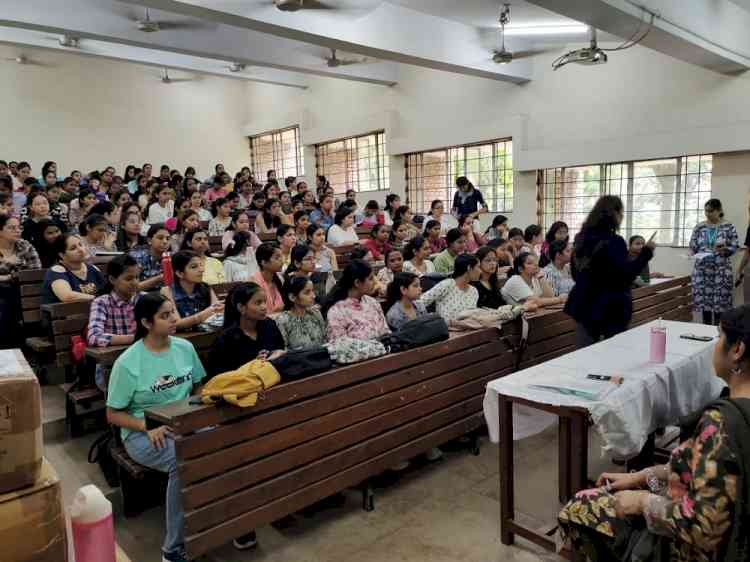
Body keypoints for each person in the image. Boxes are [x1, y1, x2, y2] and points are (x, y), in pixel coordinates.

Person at [558, 304, 750, 562]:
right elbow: (702, 468)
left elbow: (704, 529)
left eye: (719, 337)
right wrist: (641, 476)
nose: (715, 346)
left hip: (699, 545)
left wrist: (642, 501)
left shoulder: (722, 424)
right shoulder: (728, 418)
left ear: (737, 350)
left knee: (579, 505)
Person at [106, 293, 207, 562]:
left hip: (184, 423)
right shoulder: (128, 362)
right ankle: (173, 549)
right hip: (143, 433)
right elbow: (113, 414)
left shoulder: (185, 347)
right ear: (146, 323)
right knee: (181, 461)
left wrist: (195, 413)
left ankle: (222, 521)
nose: (174, 319)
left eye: (173, 312)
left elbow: (198, 385)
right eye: (165, 315)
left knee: (224, 444)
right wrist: (145, 426)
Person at [565, 195, 655, 348]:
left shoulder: (581, 238)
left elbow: (575, 273)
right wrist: (646, 253)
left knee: (583, 356)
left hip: (583, 304)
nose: (622, 217)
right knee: (611, 356)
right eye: (621, 213)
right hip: (611, 307)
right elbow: (625, 276)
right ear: (614, 214)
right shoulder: (615, 241)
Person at [207, 282, 285, 378]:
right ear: (241, 307)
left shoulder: (269, 325)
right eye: (258, 303)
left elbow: (280, 349)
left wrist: (277, 354)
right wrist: (253, 365)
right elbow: (221, 377)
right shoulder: (226, 340)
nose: (264, 307)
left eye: (265, 302)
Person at [87, 255, 139, 391]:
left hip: (142, 361)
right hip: (113, 366)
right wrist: (135, 338)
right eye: (129, 278)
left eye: (137, 277)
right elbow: (94, 336)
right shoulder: (102, 302)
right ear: (112, 279)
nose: (135, 283)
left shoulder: (143, 299)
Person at [689, 198, 739, 326]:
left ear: (719, 211)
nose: (707, 214)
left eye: (711, 211)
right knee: (704, 303)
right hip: (702, 271)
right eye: (706, 211)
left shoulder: (728, 226)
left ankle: (718, 333)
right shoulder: (699, 226)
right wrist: (690, 253)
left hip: (721, 271)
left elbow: (735, 246)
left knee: (720, 304)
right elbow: (693, 245)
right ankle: (705, 330)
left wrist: (725, 249)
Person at [324, 260, 390, 341]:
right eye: (370, 278)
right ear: (357, 283)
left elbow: (385, 332)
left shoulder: (373, 303)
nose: (375, 282)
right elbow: (339, 346)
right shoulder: (337, 312)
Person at [0, 215, 41, 346]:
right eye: (12, 228)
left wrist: (7, 273)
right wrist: (9, 268)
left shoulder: (25, 245)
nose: (17, 231)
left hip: (22, 292)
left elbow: (35, 272)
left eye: (19, 227)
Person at [160, 250, 222, 331]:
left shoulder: (206, 287)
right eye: (194, 267)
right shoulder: (167, 291)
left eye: (201, 265)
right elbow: (175, 324)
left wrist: (220, 310)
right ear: (180, 273)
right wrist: (202, 316)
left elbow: (216, 312)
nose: (201, 270)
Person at [42, 234, 105, 304]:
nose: (81, 250)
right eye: (73, 248)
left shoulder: (93, 268)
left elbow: (107, 291)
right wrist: (97, 298)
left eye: (80, 245)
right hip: (62, 313)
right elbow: (66, 296)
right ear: (62, 255)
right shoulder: (57, 271)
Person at [418, 254, 481, 323]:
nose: (480, 271)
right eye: (478, 267)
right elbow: (420, 302)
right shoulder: (447, 285)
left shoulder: (474, 291)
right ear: (469, 268)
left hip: (469, 329)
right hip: (446, 331)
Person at [275, 276, 327, 350]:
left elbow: (325, 339)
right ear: (292, 297)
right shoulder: (283, 320)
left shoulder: (315, 313)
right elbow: (283, 350)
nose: (313, 296)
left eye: (313, 291)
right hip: (298, 360)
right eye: (307, 292)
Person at [502, 252, 566, 307]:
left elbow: (550, 297)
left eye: (535, 262)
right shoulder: (515, 280)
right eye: (530, 263)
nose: (535, 265)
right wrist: (560, 299)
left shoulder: (534, 279)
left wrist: (541, 277)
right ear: (520, 269)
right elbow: (535, 302)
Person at [130, 224, 171, 291]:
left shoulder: (171, 257)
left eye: (168, 238)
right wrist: (158, 279)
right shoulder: (137, 257)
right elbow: (132, 288)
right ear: (149, 240)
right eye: (160, 238)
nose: (165, 241)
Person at [253, 243, 285, 313]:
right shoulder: (254, 283)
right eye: (277, 258)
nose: (282, 261)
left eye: (281, 256)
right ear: (263, 262)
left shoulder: (280, 279)